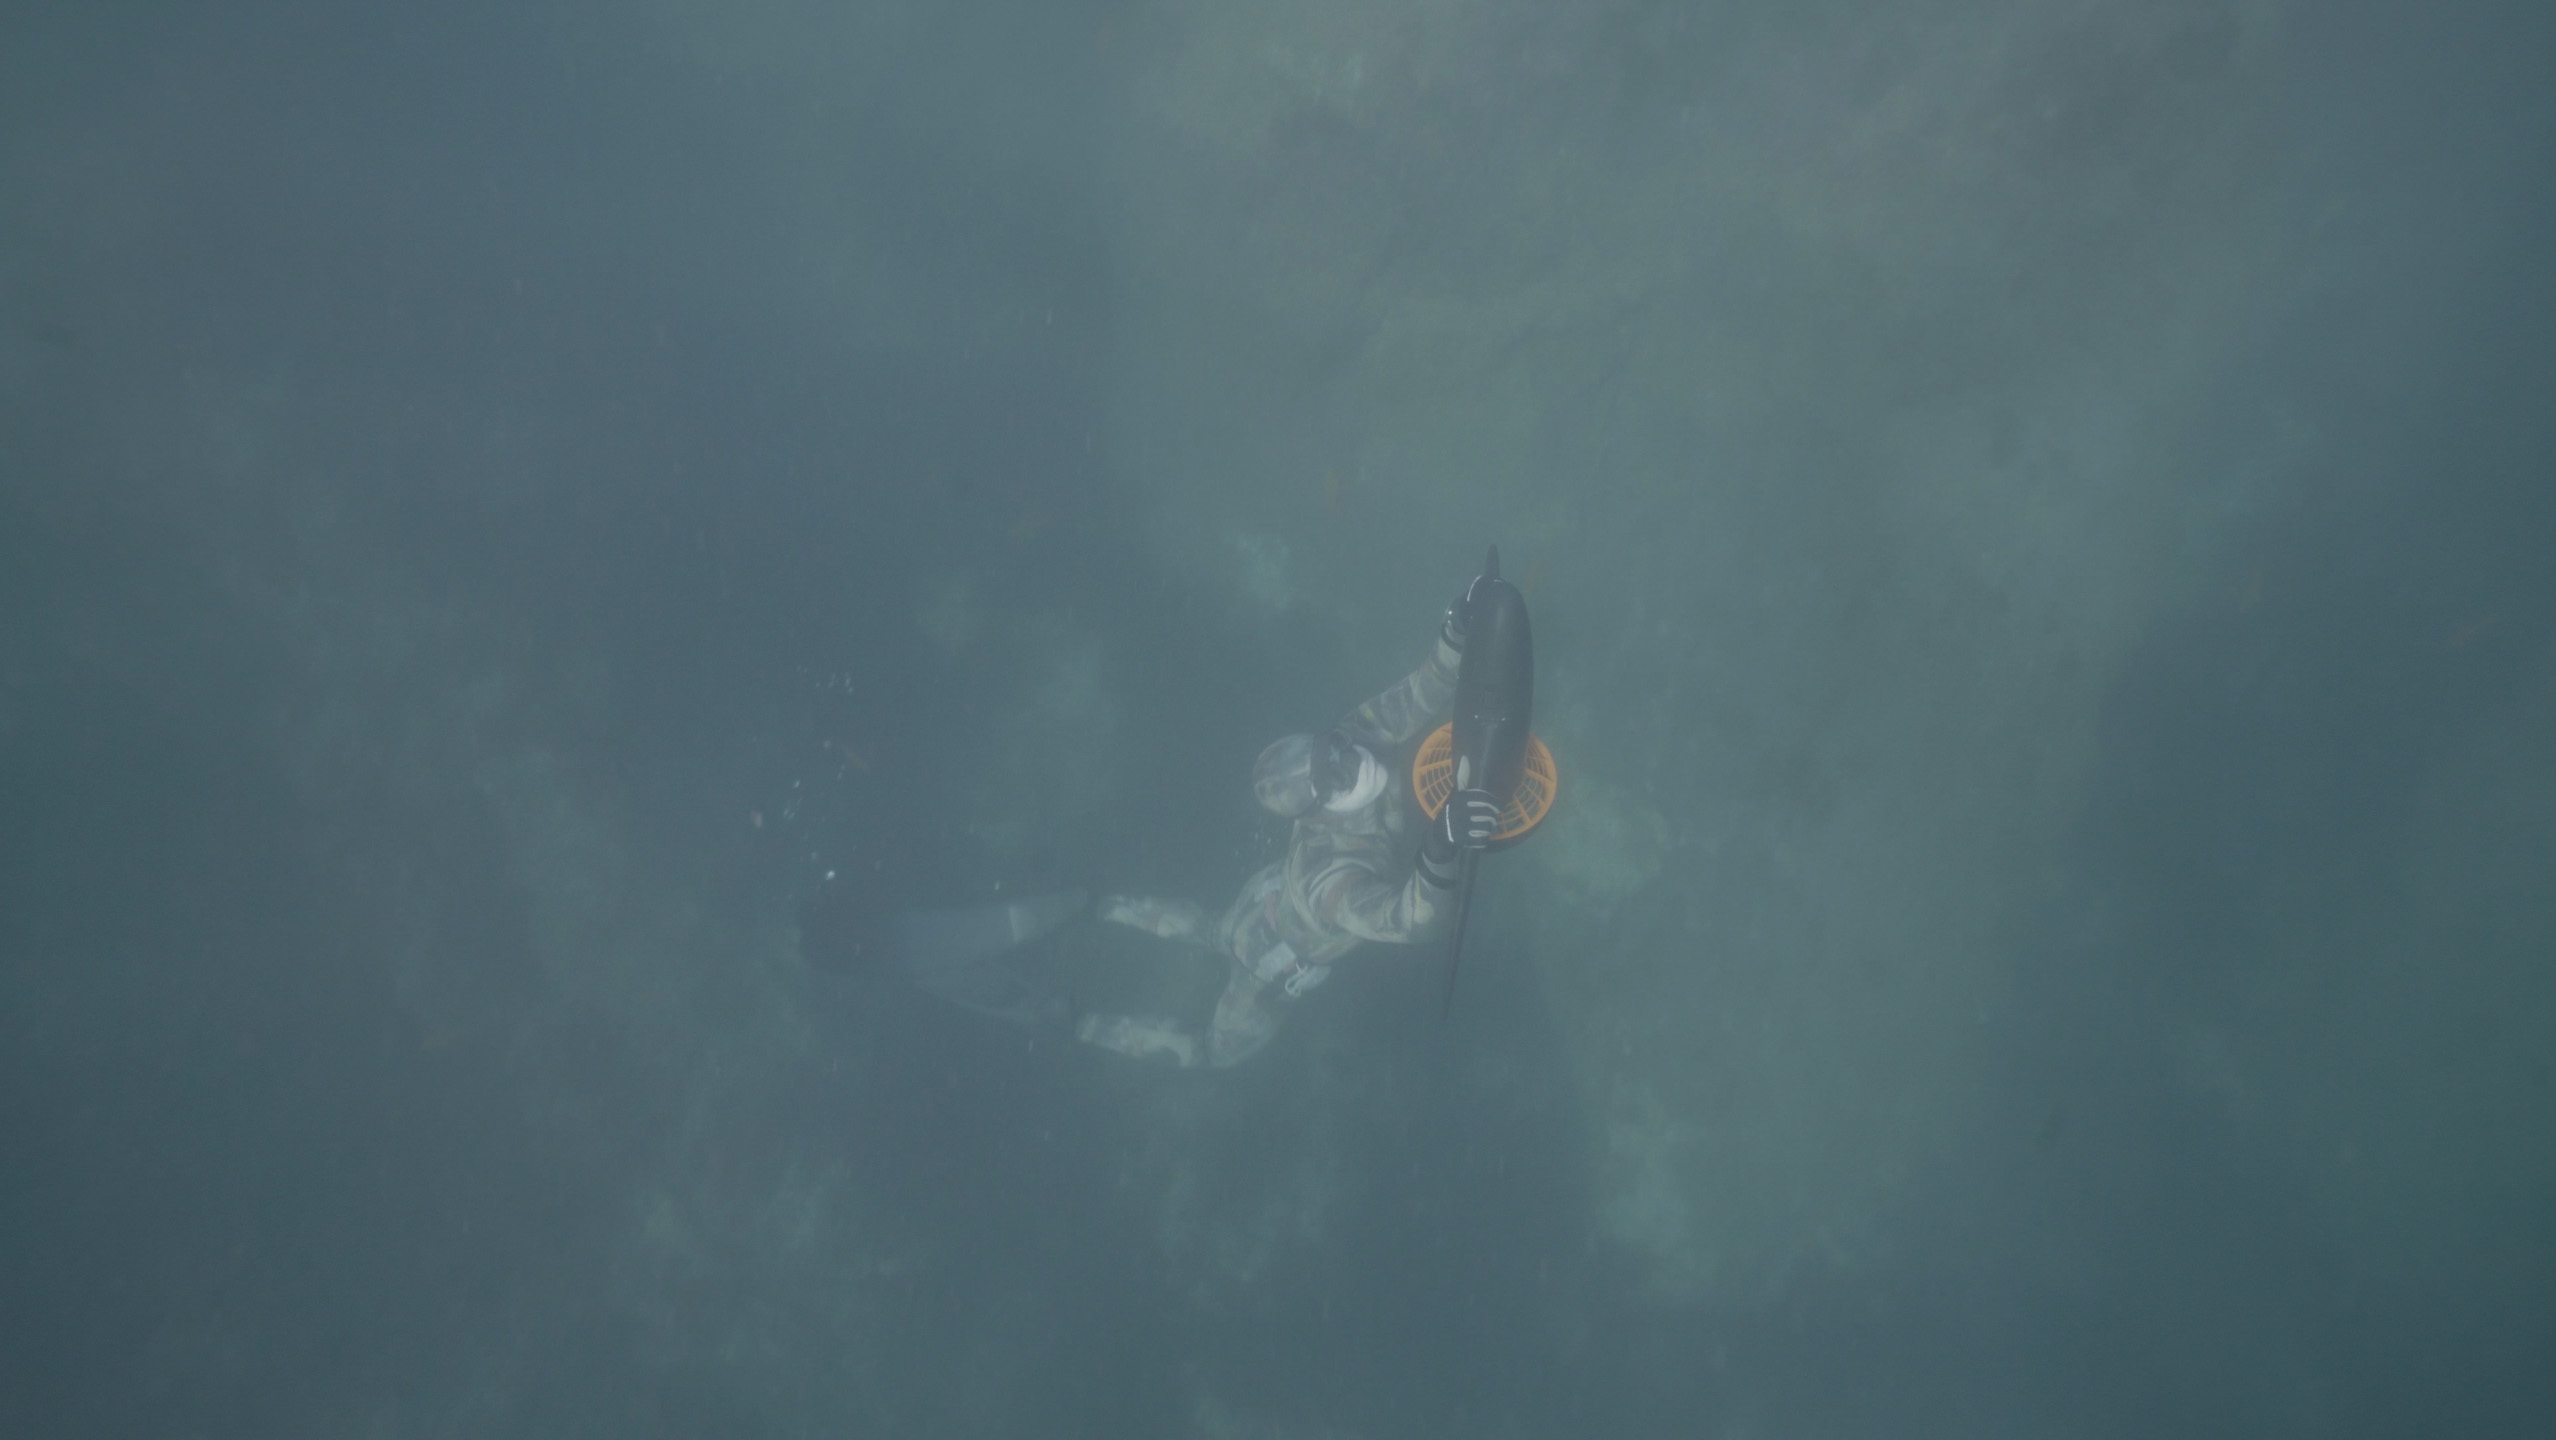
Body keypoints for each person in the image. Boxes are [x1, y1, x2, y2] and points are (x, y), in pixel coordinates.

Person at [1076, 585, 1505, 1068]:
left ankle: (1104, 907)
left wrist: (1455, 632)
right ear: (1316, 813)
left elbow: (1424, 687)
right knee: (1211, 1052)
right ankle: (1083, 1024)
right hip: (1270, 962)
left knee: (1212, 930)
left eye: (1333, 748)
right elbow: (1413, 923)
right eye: (1335, 776)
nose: (1353, 760)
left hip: (1261, 902)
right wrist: (1441, 844)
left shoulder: (1353, 738)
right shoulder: (1329, 881)